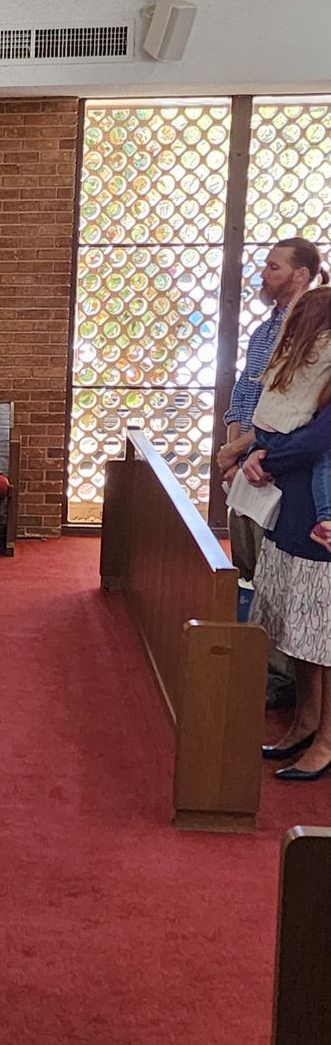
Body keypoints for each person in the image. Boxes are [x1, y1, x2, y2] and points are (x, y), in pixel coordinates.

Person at [216, 238, 325, 578]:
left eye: (273, 267)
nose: (263, 274)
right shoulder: (265, 330)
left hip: (270, 462)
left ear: (301, 274)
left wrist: (242, 448)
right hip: (245, 460)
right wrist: (231, 452)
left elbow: (291, 404)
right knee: (245, 567)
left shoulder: (312, 334)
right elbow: (245, 390)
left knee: (268, 567)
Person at [242, 372, 331, 781]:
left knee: (324, 636)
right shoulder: (309, 375)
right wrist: (258, 450)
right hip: (295, 510)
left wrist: (266, 457)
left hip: (323, 527)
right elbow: (280, 423)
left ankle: (327, 741)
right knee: (299, 632)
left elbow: (317, 439)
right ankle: (305, 722)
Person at [248, 287, 331, 551]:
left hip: (265, 430)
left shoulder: (289, 345)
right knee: (325, 458)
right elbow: (312, 444)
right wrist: (262, 459)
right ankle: (327, 520)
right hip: (296, 514)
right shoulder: (323, 348)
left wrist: (262, 457)